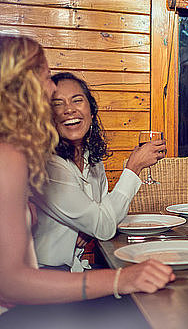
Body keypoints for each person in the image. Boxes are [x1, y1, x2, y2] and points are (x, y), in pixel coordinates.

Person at [0, 35, 173, 317]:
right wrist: (121, 279)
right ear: (24, 86)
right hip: (26, 302)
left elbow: (100, 217)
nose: (52, 86)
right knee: (143, 313)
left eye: (77, 100)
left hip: (57, 279)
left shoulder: (81, 157)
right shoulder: (15, 157)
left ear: (91, 109)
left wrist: (84, 226)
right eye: (45, 76)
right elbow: (10, 283)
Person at [31, 72, 166, 272]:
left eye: (77, 100)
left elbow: (106, 213)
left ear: (92, 112)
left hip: (76, 268)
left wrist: (89, 229)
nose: (69, 109)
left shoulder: (90, 158)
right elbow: (104, 225)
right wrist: (133, 167)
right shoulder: (48, 165)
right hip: (44, 275)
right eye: (57, 104)